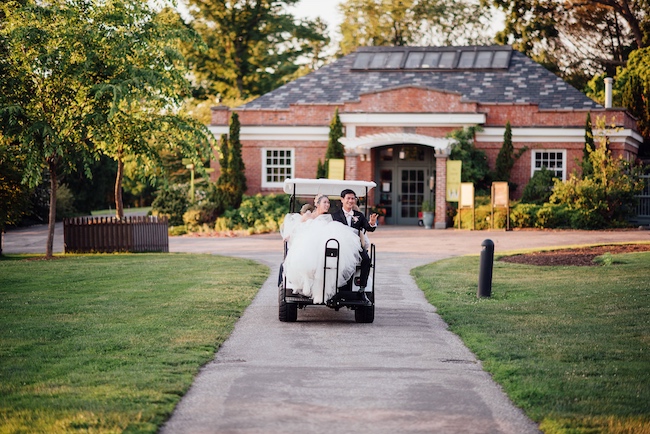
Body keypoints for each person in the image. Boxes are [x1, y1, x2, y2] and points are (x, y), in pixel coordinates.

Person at [280, 194, 361, 304]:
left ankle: (323, 292)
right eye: (325, 202)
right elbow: (298, 227)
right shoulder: (309, 215)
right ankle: (311, 288)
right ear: (317, 204)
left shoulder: (329, 218)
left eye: (328, 202)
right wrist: (289, 235)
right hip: (310, 244)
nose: (327, 204)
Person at [331, 189, 378, 293]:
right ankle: (335, 286)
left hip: (355, 246)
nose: (351, 201)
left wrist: (372, 223)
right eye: (348, 198)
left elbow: (368, 227)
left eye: (353, 198)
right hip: (340, 246)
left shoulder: (359, 215)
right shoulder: (335, 215)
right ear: (342, 200)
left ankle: (362, 288)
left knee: (366, 259)